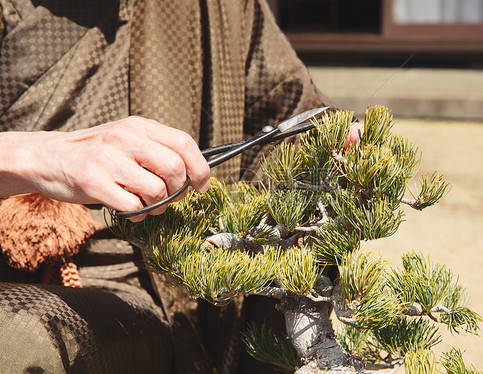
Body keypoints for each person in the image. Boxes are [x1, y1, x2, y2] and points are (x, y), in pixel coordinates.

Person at [0, 0, 361, 373]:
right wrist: (33, 155)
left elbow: (282, 117)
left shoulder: (220, 8)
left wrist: (331, 153)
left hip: (156, 284)